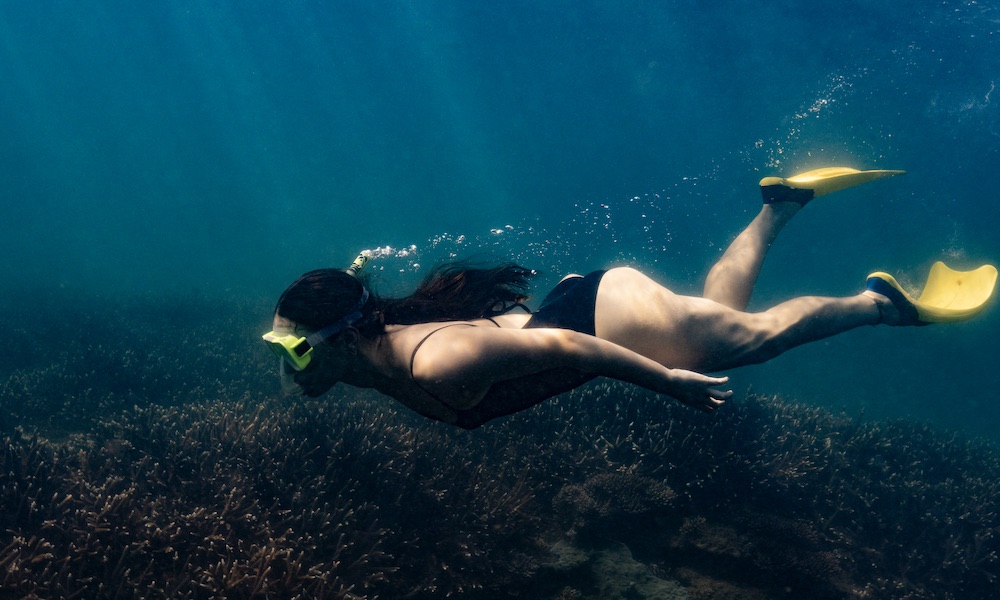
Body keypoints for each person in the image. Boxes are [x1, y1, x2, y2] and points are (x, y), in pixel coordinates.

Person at [263, 168, 996, 429]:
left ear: (346, 338)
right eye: (282, 347)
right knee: (725, 325)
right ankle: (780, 205)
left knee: (750, 343)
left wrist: (667, 382)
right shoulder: (377, 350)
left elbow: (563, 346)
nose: (288, 366)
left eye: (295, 349)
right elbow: (519, 332)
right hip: (585, 304)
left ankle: (880, 303)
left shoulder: (431, 364)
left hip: (601, 320)